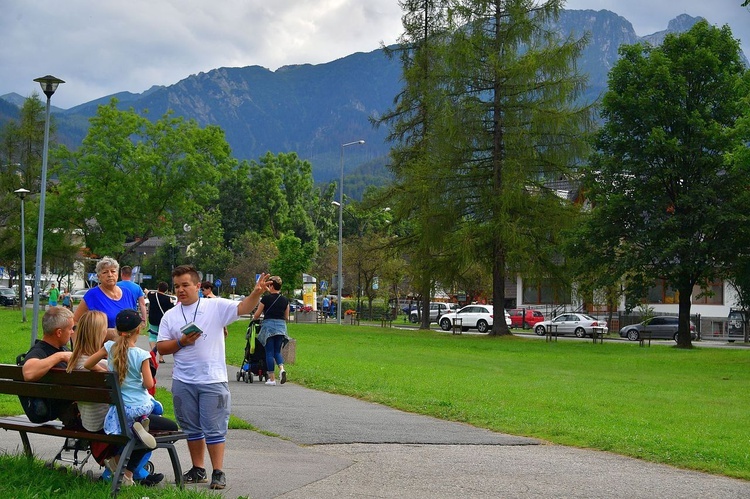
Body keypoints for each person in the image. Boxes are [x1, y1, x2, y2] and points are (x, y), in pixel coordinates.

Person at [157, 265, 270, 490]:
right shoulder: (170, 315)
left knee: (214, 427)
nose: (180, 290)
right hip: (183, 380)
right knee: (191, 427)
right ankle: (198, 469)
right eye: (177, 286)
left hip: (212, 379)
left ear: (198, 286)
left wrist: (256, 293)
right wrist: (182, 342)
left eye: (185, 285)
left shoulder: (214, 306)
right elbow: (161, 347)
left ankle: (218, 471)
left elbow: (242, 308)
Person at [84, 309, 158, 486]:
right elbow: (149, 384)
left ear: (117, 329)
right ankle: (141, 425)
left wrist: (109, 373)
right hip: (139, 406)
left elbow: (87, 364)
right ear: (138, 329)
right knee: (158, 411)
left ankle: (138, 428)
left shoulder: (109, 347)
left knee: (155, 412)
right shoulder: (142, 355)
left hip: (120, 409)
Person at [18, 307, 78, 427]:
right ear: (59, 332)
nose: (72, 332)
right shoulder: (39, 351)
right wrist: (59, 356)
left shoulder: (61, 348)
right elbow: (28, 372)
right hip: (65, 411)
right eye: (71, 329)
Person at [73, 257, 136, 341]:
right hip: (100, 349)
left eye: (113, 271)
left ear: (118, 274)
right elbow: (75, 322)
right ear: (98, 277)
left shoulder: (127, 293)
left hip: (125, 348)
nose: (110, 275)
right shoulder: (92, 295)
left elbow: (134, 319)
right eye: (105, 272)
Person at [252, 275, 289, 386]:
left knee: (269, 352)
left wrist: (256, 317)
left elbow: (257, 315)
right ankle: (282, 369)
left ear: (271, 285)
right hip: (281, 327)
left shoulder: (266, 299)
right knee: (277, 351)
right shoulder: (285, 300)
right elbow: (286, 317)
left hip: (268, 326)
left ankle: (272, 379)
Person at [146, 282, 175, 363]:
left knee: (152, 337)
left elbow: (147, 293)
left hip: (153, 319)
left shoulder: (152, 296)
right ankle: (161, 357)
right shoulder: (168, 299)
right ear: (166, 290)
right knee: (161, 338)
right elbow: (172, 310)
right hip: (163, 321)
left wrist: (146, 291)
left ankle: (153, 353)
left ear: (158, 287)